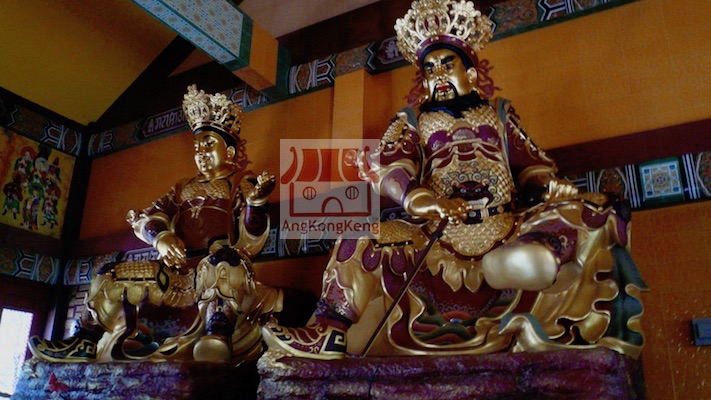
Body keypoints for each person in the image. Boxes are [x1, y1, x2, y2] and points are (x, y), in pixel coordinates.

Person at [263, 0, 646, 360]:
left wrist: (549, 187)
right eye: (430, 70)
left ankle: (525, 263)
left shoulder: (499, 115)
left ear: (471, 74)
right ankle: (330, 330)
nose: (439, 76)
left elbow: (532, 166)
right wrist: (423, 201)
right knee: (360, 235)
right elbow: (390, 169)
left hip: (506, 226)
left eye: (448, 65)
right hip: (435, 237)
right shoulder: (413, 121)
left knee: (597, 208)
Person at [29, 85, 282, 363]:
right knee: (110, 273)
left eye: (209, 144)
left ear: (230, 152)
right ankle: (86, 339)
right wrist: (161, 238)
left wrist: (256, 203)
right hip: (174, 274)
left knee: (224, 263)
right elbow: (148, 217)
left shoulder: (240, 182)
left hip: (215, 269)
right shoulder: (182, 188)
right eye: (197, 146)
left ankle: (218, 332)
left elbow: (251, 239)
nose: (200, 152)